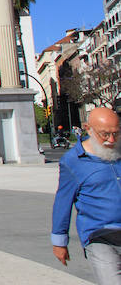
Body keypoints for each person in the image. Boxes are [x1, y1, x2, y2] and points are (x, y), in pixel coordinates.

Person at [51, 107, 121, 285]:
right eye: (105, 134)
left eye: (116, 133)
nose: (111, 140)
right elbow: (63, 202)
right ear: (88, 129)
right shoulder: (72, 161)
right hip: (99, 236)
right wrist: (59, 241)